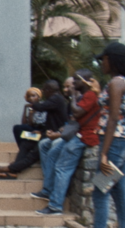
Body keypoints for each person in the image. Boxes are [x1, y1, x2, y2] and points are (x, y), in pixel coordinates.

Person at [69, 43, 125, 228]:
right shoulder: (120, 82)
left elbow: (113, 120)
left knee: (100, 193)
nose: (101, 63)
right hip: (121, 141)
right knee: (119, 193)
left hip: (115, 143)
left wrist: (104, 154)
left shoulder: (117, 83)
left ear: (113, 59)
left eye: (104, 59)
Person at [35, 69, 101, 216]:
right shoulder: (86, 95)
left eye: (76, 81)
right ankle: (48, 191)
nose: (73, 84)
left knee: (62, 168)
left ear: (84, 82)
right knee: (52, 154)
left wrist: (72, 97)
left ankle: (55, 206)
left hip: (84, 137)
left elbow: (77, 113)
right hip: (78, 134)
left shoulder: (90, 95)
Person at [0, 79, 67, 179]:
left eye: (44, 90)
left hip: (50, 136)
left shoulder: (56, 99)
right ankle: (14, 169)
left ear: (48, 90)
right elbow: (28, 122)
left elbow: (39, 107)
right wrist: (39, 129)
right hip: (42, 132)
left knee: (33, 154)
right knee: (24, 140)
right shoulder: (55, 99)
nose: (44, 93)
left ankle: (9, 169)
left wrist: (33, 101)